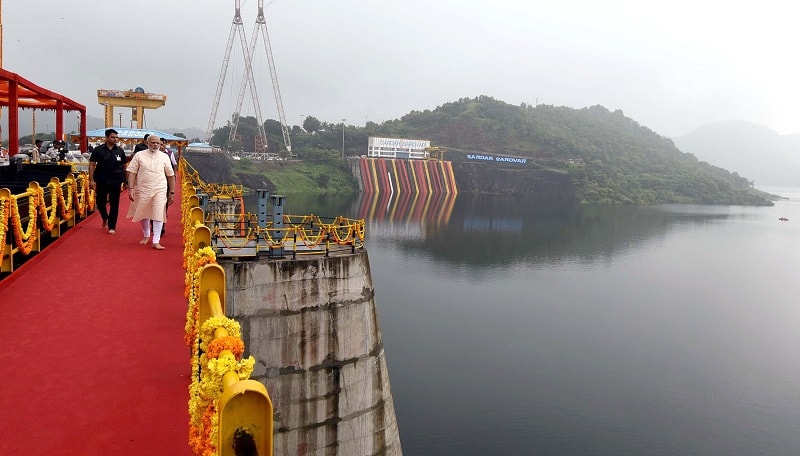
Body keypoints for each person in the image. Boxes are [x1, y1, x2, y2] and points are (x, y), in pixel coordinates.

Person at [126, 135, 176, 250]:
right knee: (144, 213)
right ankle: (146, 234)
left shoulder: (164, 157)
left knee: (158, 213)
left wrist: (172, 192)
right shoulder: (139, 155)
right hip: (143, 188)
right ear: (147, 143)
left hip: (160, 189)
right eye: (153, 143)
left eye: (158, 143)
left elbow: (170, 175)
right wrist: (131, 188)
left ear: (161, 144)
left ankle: (156, 240)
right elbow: (132, 172)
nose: (156, 145)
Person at [89, 129, 127, 234]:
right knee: (100, 201)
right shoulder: (98, 150)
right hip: (101, 179)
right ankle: (105, 216)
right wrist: (91, 180)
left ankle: (112, 226)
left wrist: (126, 180)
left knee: (114, 204)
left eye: (116, 137)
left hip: (116, 180)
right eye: (112, 137)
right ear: (106, 138)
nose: (115, 139)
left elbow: (124, 166)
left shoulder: (120, 151)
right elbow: (92, 164)